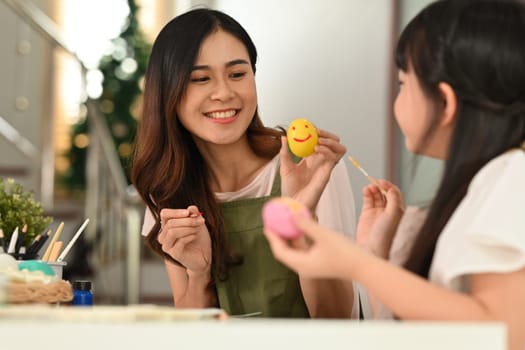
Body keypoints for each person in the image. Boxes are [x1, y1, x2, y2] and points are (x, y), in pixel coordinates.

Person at [264, 0, 525, 347]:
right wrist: (377, 252)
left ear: (444, 103)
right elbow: (429, 330)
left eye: (403, 84)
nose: (397, 100)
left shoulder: (511, 176)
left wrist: (357, 265)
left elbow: (505, 333)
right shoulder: (487, 186)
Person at [131, 8, 358, 318]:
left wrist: (303, 226)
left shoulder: (311, 167)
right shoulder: (168, 188)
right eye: (200, 79)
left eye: (238, 74)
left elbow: (338, 321)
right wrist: (199, 274)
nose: (224, 93)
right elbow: (192, 332)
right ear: (167, 91)